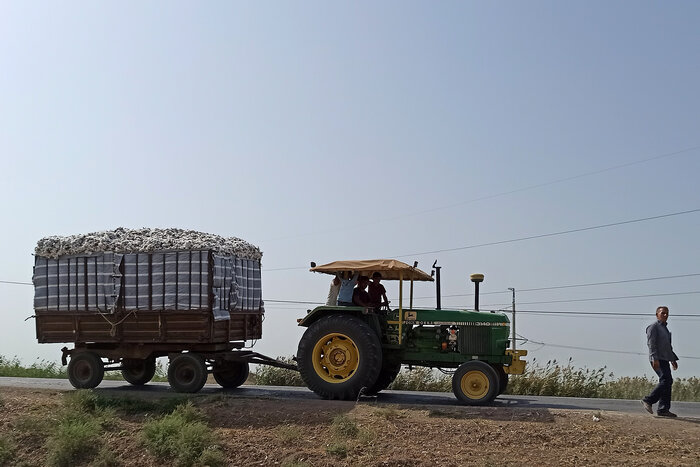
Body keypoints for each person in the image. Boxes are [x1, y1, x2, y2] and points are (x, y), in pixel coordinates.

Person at [641, 306, 679, 417]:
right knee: (665, 379)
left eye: (667, 313)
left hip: (665, 359)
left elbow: (668, 347)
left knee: (668, 381)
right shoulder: (653, 327)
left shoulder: (665, 329)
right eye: (663, 313)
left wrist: (673, 359)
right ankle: (648, 400)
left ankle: (663, 409)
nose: (665, 315)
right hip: (657, 359)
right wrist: (654, 358)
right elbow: (651, 344)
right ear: (657, 314)